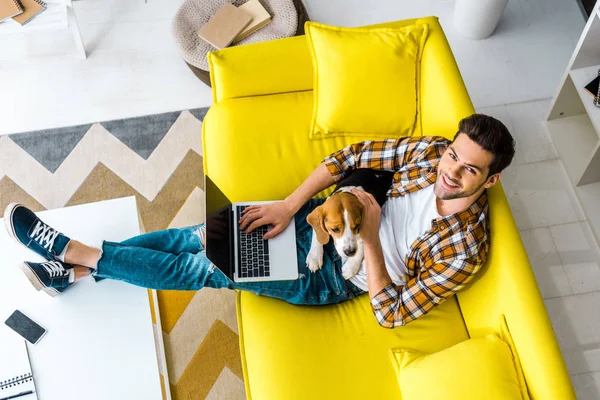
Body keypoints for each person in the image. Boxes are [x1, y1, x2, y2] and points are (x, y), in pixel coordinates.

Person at [4, 113, 514, 328]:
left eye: (470, 170)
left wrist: (373, 241)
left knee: (206, 267)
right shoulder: (429, 154)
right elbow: (349, 155)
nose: (450, 172)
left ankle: (74, 252)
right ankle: (70, 272)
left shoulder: (466, 249)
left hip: (336, 273)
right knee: (199, 236)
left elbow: (392, 314)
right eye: (453, 156)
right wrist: (292, 205)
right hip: (322, 225)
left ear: (489, 181)